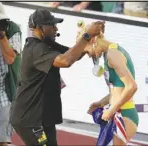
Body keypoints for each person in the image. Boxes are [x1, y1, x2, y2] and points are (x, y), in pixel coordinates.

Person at [9, 9, 104, 146]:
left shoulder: (47, 44)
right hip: (30, 119)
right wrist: (87, 35)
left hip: (41, 116)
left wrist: (86, 46)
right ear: (39, 28)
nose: (56, 28)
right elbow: (66, 61)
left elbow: (72, 55)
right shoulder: (36, 49)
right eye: (51, 25)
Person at [83, 23, 139, 145]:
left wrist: (111, 110)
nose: (88, 56)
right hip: (119, 113)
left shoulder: (113, 54)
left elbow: (132, 86)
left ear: (93, 40)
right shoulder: (109, 53)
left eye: (87, 51)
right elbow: (118, 90)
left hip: (123, 115)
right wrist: (101, 103)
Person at [0, 2, 22, 146]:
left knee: (1, 141)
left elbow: (10, 58)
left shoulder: (12, 29)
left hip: (3, 93)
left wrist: (1, 35)